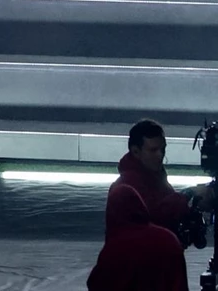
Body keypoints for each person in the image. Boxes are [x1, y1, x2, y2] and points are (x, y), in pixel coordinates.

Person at [86, 120, 206, 291]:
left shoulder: (154, 178)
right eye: (153, 150)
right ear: (136, 151)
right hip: (142, 275)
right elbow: (157, 213)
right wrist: (189, 194)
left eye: (162, 149)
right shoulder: (128, 185)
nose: (160, 155)